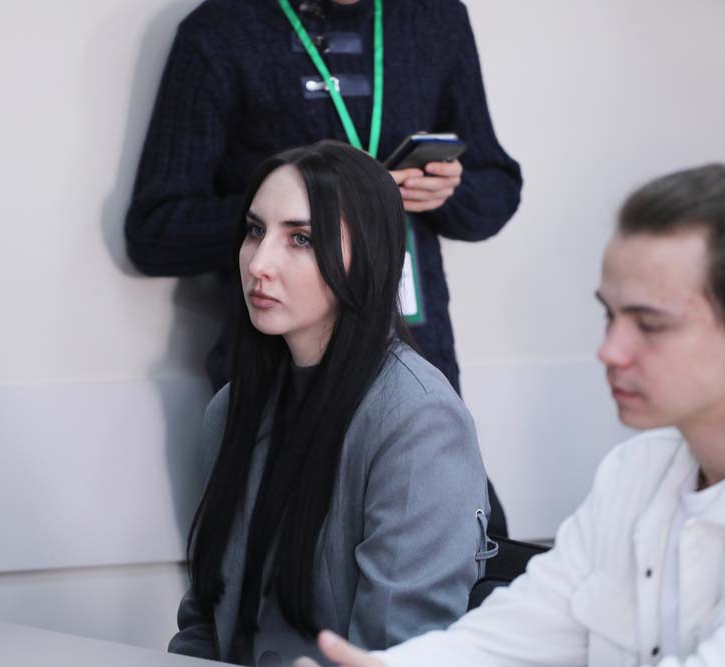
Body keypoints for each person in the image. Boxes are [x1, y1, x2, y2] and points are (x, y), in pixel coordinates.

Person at [295, 163, 725, 667]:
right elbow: (508, 636)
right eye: (610, 315)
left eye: (649, 324)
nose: (610, 350)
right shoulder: (636, 472)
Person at [125, 0, 522, 535]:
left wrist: (448, 191)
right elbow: (155, 232)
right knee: (279, 559)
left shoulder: (434, 17)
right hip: (279, 370)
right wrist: (299, 212)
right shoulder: (220, 30)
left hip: (414, 351)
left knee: (464, 546)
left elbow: (495, 193)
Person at [170, 141, 493, 667]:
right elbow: (205, 624)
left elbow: (395, 648)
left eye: (300, 238)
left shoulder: (417, 419)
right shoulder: (231, 409)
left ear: (366, 256)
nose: (259, 264)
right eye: (255, 231)